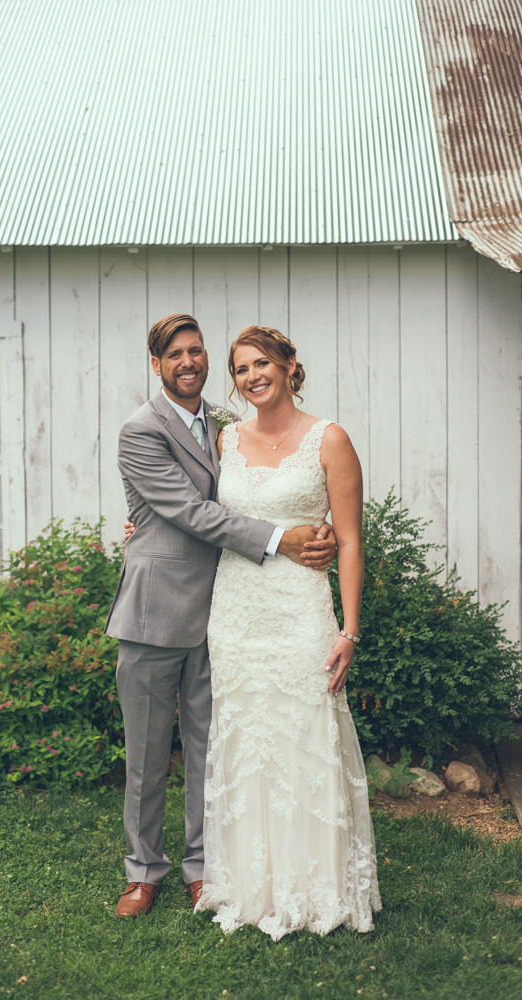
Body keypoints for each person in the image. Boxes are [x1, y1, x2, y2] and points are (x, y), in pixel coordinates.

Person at [104, 314, 336, 919]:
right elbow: (189, 512)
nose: (189, 362)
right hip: (154, 613)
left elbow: (253, 488)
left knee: (211, 748)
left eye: (197, 351)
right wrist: (282, 538)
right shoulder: (140, 430)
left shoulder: (227, 429)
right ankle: (143, 873)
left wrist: (321, 529)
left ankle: (202, 868)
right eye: (175, 354)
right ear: (156, 364)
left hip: (222, 611)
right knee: (148, 754)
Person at [195, 325, 380, 939]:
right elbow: (196, 514)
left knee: (307, 736)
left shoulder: (330, 439)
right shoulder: (223, 440)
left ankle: (317, 887)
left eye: (262, 363)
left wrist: (349, 630)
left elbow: (349, 539)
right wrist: (141, 525)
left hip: (301, 609)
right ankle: (251, 887)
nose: (252, 376)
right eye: (241, 368)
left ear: (288, 365)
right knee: (246, 740)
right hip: (237, 611)